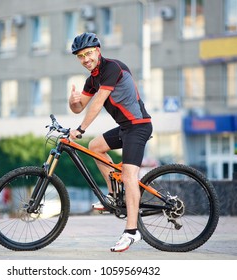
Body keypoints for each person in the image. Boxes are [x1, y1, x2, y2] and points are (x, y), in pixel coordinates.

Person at [68, 32, 153, 252]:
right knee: (95, 147)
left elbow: (97, 102)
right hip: (126, 128)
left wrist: (81, 129)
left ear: (98, 50)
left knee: (128, 174)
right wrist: (73, 102)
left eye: (88, 54)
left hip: (138, 126)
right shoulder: (92, 78)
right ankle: (116, 196)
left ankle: (132, 232)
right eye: (80, 56)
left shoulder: (113, 68)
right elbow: (80, 107)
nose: (85, 59)